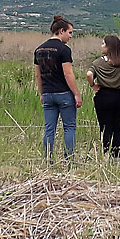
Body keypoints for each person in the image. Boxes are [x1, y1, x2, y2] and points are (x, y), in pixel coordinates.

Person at [34, 15, 81, 163]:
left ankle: (48, 160)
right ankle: (69, 160)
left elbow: (38, 75)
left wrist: (42, 93)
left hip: (48, 94)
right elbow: (68, 74)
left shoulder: (39, 50)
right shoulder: (64, 50)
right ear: (61, 31)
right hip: (64, 94)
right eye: (70, 32)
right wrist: (76, 94)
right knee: (69, 128)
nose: (70, 36)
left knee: (49, 129)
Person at [86, 34, 120, 160]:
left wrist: (93, 85)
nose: (101, 46)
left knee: (105, 127)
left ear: (108, 46)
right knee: (117, 128)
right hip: (119, 96)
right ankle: (117, 156)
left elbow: (89, 74)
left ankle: (106, 154)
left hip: (103, 96)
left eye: (103, 44)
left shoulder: (98, 62)